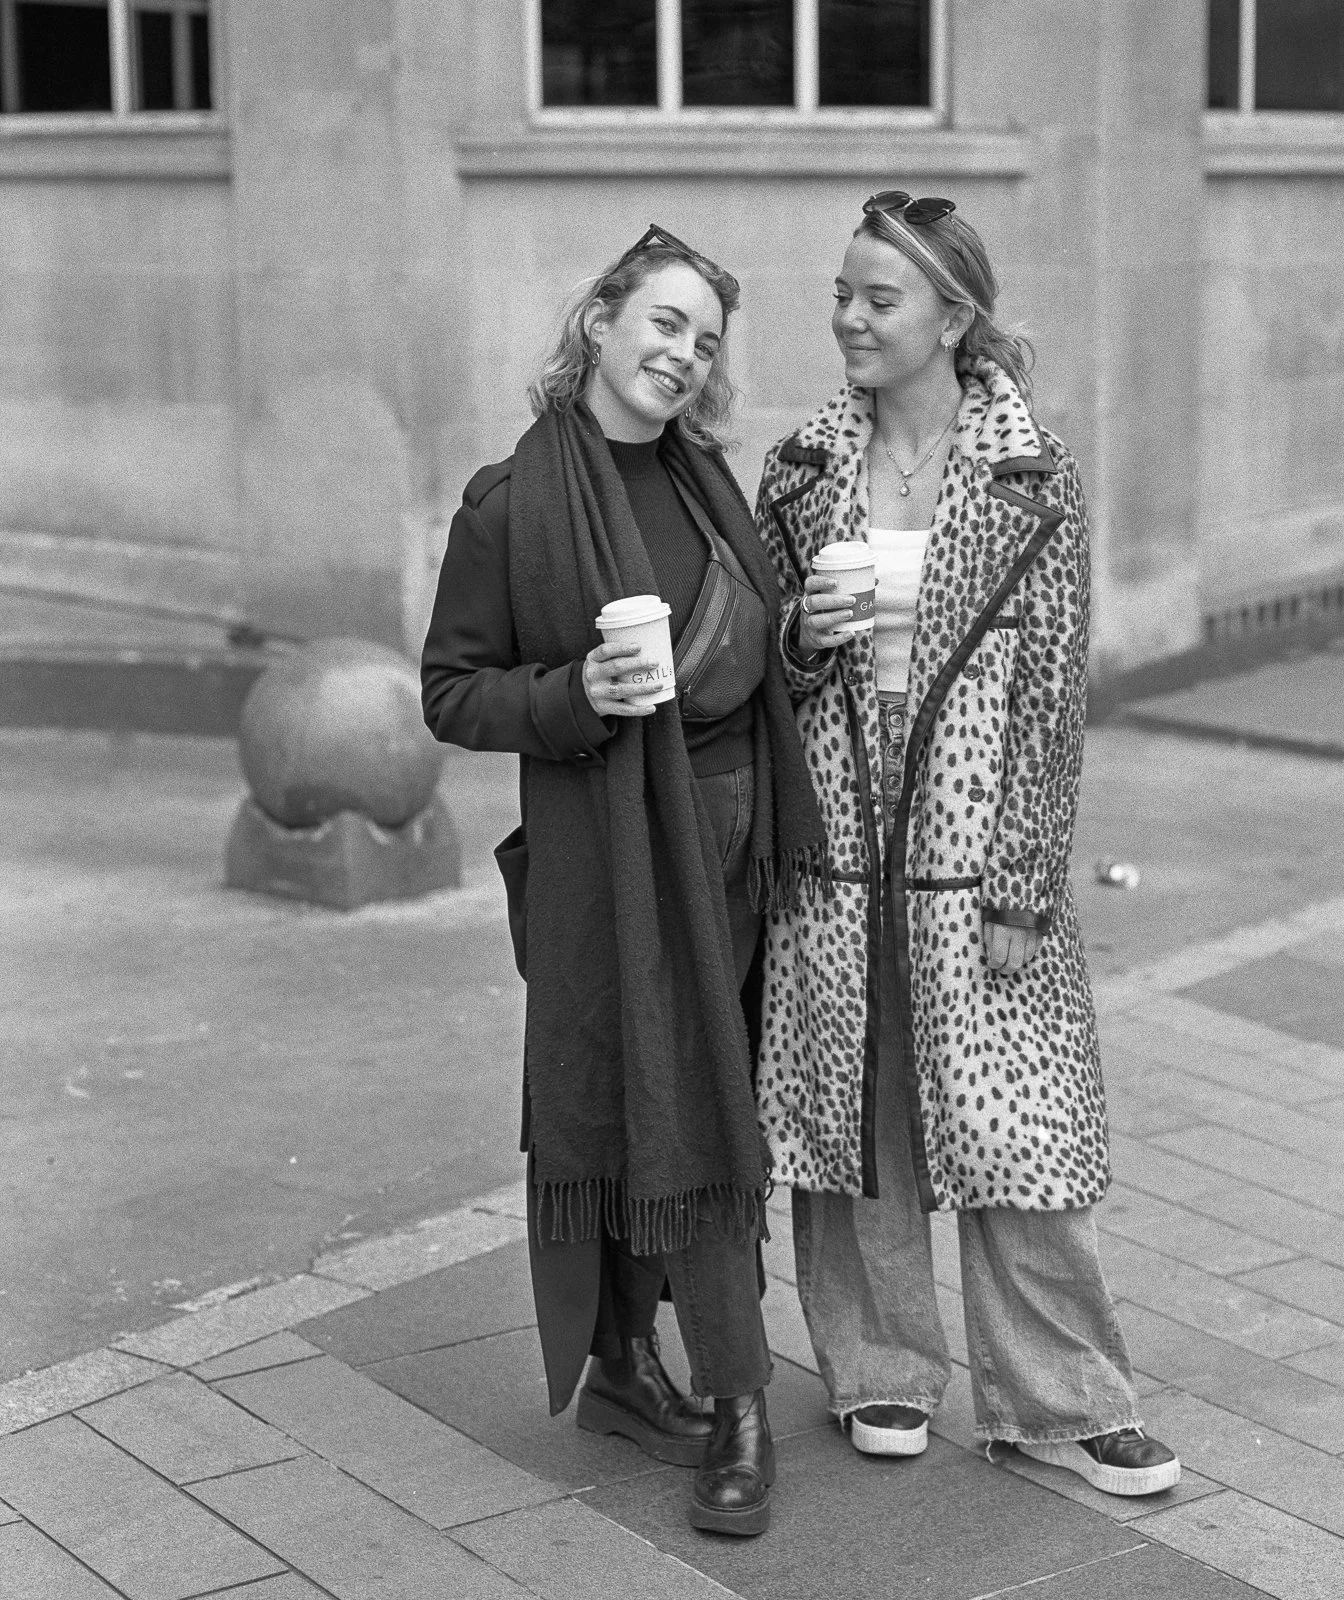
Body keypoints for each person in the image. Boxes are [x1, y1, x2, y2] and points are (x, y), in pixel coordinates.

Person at [752, 192, 1181, 1497]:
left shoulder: (1031, 479)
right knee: (850, 1119)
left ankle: (1068, 1398)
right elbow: (757, 668)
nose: (849, 317)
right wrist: (799, 639)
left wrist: (1023, 883)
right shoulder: (799, 470)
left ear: (952, 316)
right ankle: (879, 1368)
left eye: (878, 298)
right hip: (831, 853)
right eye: (842, 293)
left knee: (1020, 1132)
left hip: (973, 855)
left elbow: (1053, 697)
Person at [421, 225, 829, 1538]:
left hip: (733, 852)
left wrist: (797, 636)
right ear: (599, 322)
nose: (684, 354)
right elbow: (450, 692)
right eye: (664, 322)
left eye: (705, 339)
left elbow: (742, 653)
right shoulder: (509, 505)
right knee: (666, 1108)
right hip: (609, 859)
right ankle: (730, 1396)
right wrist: (573, 694)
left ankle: (633, 1368)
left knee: (674, 1097)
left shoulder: (710, 483)